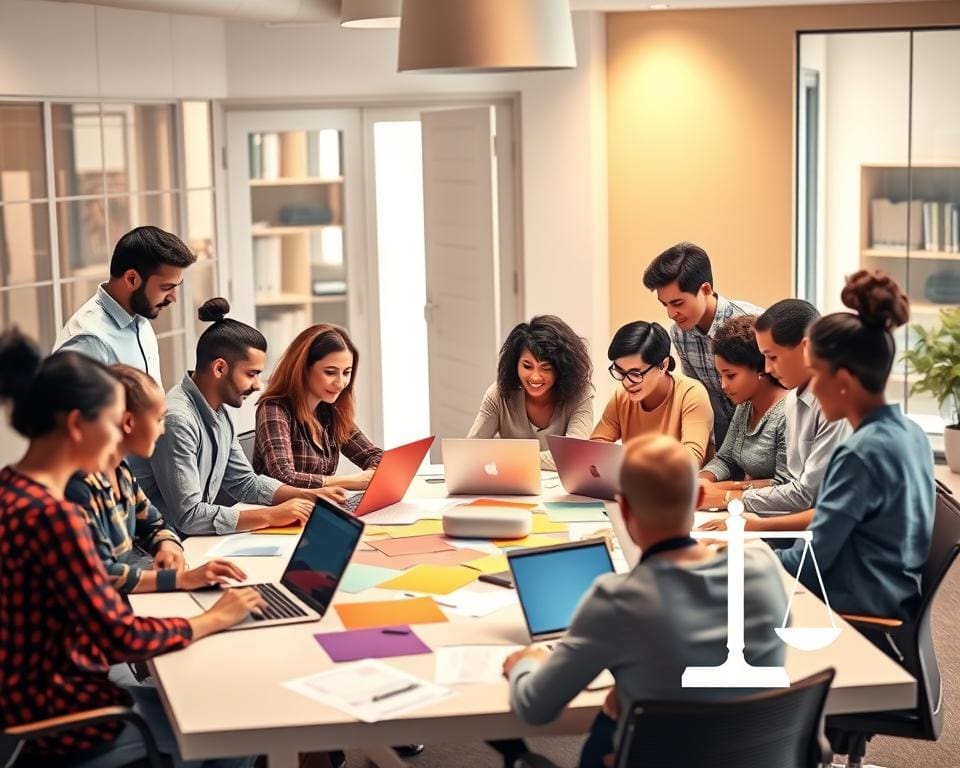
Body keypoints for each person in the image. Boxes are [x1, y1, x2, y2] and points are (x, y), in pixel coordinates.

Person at [0, 329, 261, 767]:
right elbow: (119, 633)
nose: (122, 434)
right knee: (234, 730)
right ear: (78, 425)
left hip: (32, 698)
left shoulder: (12, 487)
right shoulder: (54, 516)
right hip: (64, 718)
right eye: (114, 419)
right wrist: (213, 619)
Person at [501, 434, 787, 768]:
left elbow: (535, 708)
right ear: (696, 499)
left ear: (623, 508)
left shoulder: (616, 600)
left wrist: (525, 663)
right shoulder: (762, 567)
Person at [773, 271, 935, 621]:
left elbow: (809, 563)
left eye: (815, 373)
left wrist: (737, 558)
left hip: (852, 608)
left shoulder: (861, 454)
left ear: (843, 381)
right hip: (891, 595)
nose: (812, 389)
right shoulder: (913, 434)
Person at [134, 299, 347, 536]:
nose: (257, 385)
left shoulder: (219, 411)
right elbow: (189, 516)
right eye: (251, 374)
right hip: (157, 553)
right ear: (219, 368)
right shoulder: (178, 419)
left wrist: (308, 495)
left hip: (189, 541)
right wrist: (271, 515)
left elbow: (245, 483)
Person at [66, 364, 247, 593]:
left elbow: (155, 524)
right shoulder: (78, 489)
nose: (163, 430)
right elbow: (101, 574)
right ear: (129, 422)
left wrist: (168, 546)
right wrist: (181, 580)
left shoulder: (121, 472)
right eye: (159, 419)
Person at [703, 299, 849, 515]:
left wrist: (727, 495)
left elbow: (803, 495)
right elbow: (792, 489)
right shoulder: (795, 402)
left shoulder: (834, 407)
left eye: (772, 357)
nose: (768, 368)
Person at [642, 242, 762, 446]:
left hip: (763, 441)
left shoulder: (755, 324)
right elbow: (700, 396)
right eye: (665, 305)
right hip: (723, 446)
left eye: (678, 303)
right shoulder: (679, 334)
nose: (671, 314)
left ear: (705, 289)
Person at [54, 226, 197, 387]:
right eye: (166, 287)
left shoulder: (141, 322)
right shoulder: (89, 341)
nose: (173, 297)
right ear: (131, 279)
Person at [254, 324, 383, 490]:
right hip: (282, 511)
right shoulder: (274, 409)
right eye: (330, 372)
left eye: (346, 373)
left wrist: (375, 472)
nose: (340, 383)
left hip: (318, 504)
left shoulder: (330, 411)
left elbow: (373, 456)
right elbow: (284, 476)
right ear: (303, 369)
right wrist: (352, 481)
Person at [467, 315, 594, 470]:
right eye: (527, 366)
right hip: (512, 488)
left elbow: (574, 456)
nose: (535, 376)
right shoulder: (499, 394)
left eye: (546, 368)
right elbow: (471, 450)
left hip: (562, 492)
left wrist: (506, 458)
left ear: (562, 369)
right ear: (515, 364)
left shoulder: (580, 394)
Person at [591, 321, 714, 467]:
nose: (627, 382)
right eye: (620, 372)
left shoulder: (691, 394)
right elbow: (595, 447)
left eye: (635, 373)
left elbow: (691, 459)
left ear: (663, 365)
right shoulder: (622, 396)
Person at [699, 315, 790, 507]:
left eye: (730, 375)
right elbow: (725, 459)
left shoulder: (787, 414)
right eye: (720, 375)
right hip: (744, 509)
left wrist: (725, 490)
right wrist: (701, 482)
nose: (722, 385)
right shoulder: (745, 405)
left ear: (760, 368)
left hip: (772, 518)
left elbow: (783, 485)